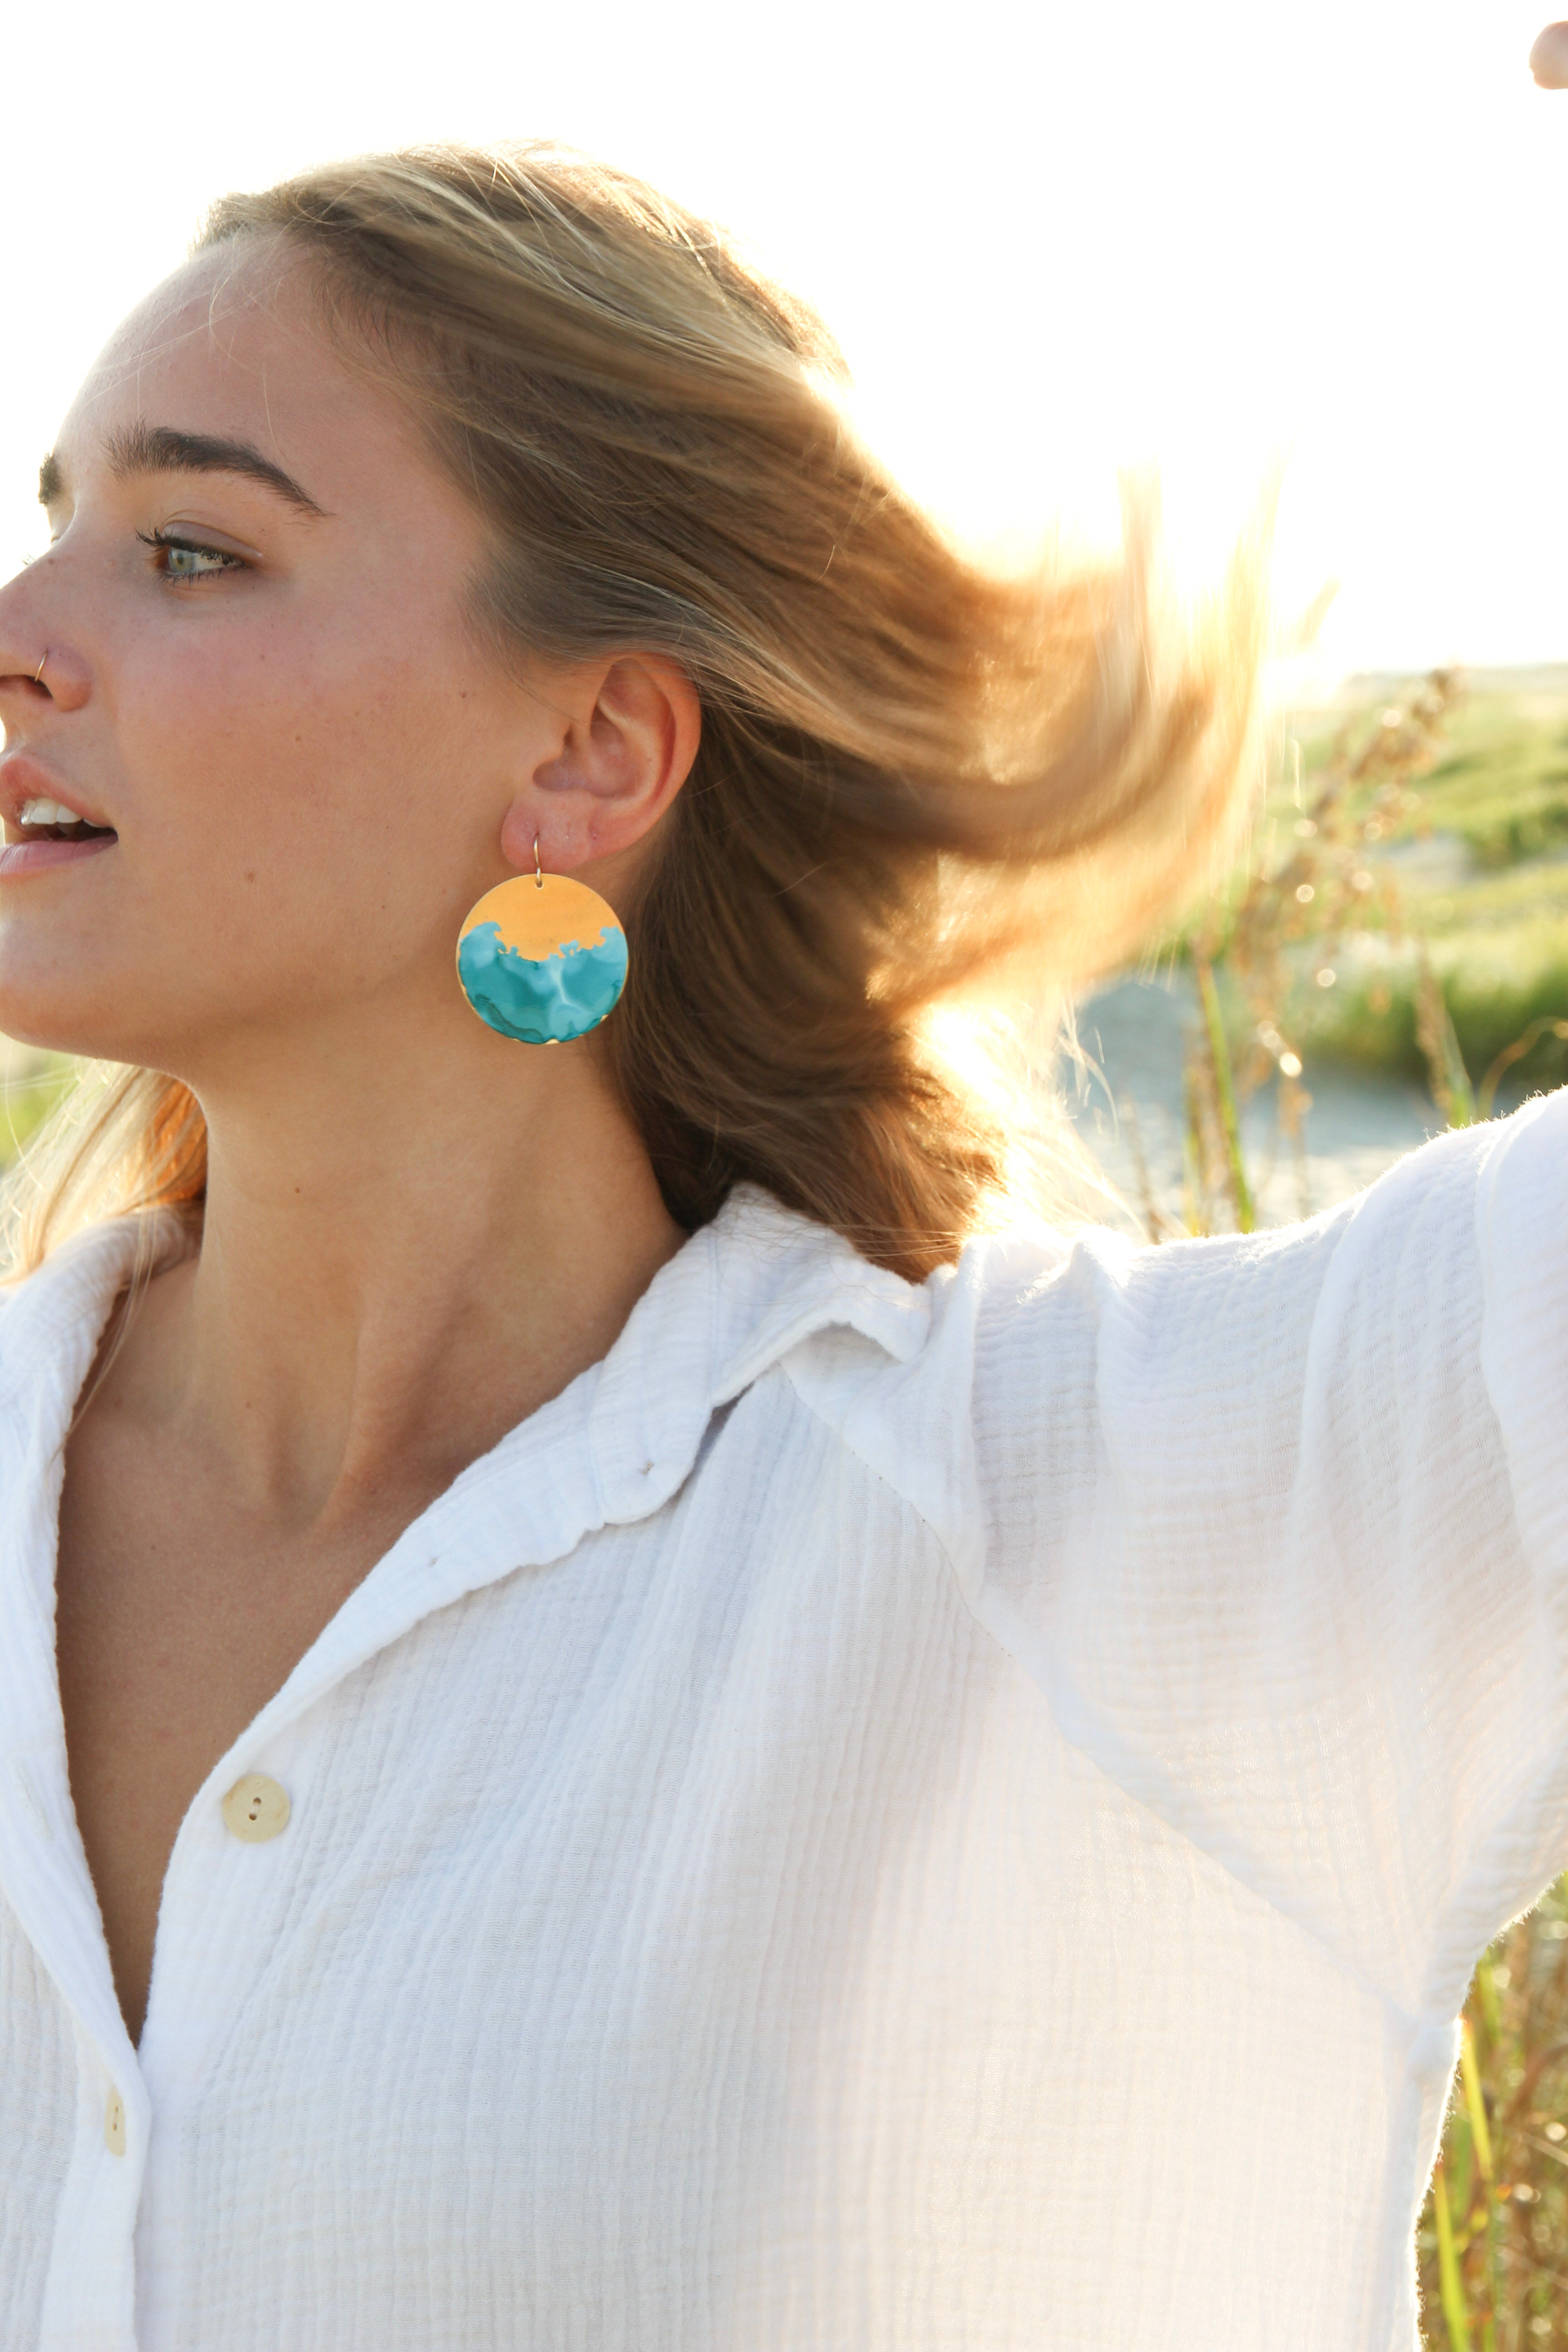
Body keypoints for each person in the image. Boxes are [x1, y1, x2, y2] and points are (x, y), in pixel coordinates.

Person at [0, 144, 1561, 2352]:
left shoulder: (1130, 1518)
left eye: (188, 549)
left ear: (590, 751)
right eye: (54, 521)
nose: (18, 638)